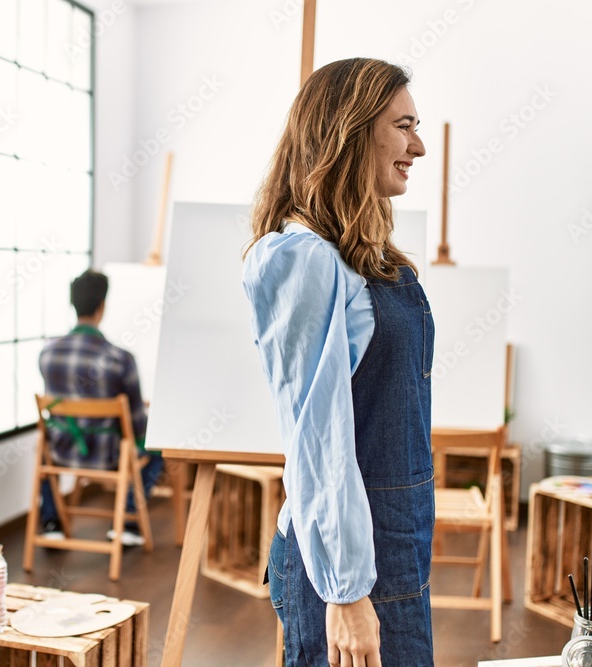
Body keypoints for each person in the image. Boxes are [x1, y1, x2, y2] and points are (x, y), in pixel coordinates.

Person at [242, 59, 433, 666]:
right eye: (404, 126)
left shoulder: (360, 255)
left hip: (391, 538)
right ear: (352, 130)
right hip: (348, 566)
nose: (419, 146)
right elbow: (318, 437)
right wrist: (347, 593)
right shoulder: (303, 259)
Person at [37, 269, 164, 547]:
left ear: (74, 304)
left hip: (61, 451)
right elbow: (136, 423)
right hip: (107, 456)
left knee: (43, 442)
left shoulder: (48, 353)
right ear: (102, 307)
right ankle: (128, 521)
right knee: (158, 449)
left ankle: (51, 522)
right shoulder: (120, 359)